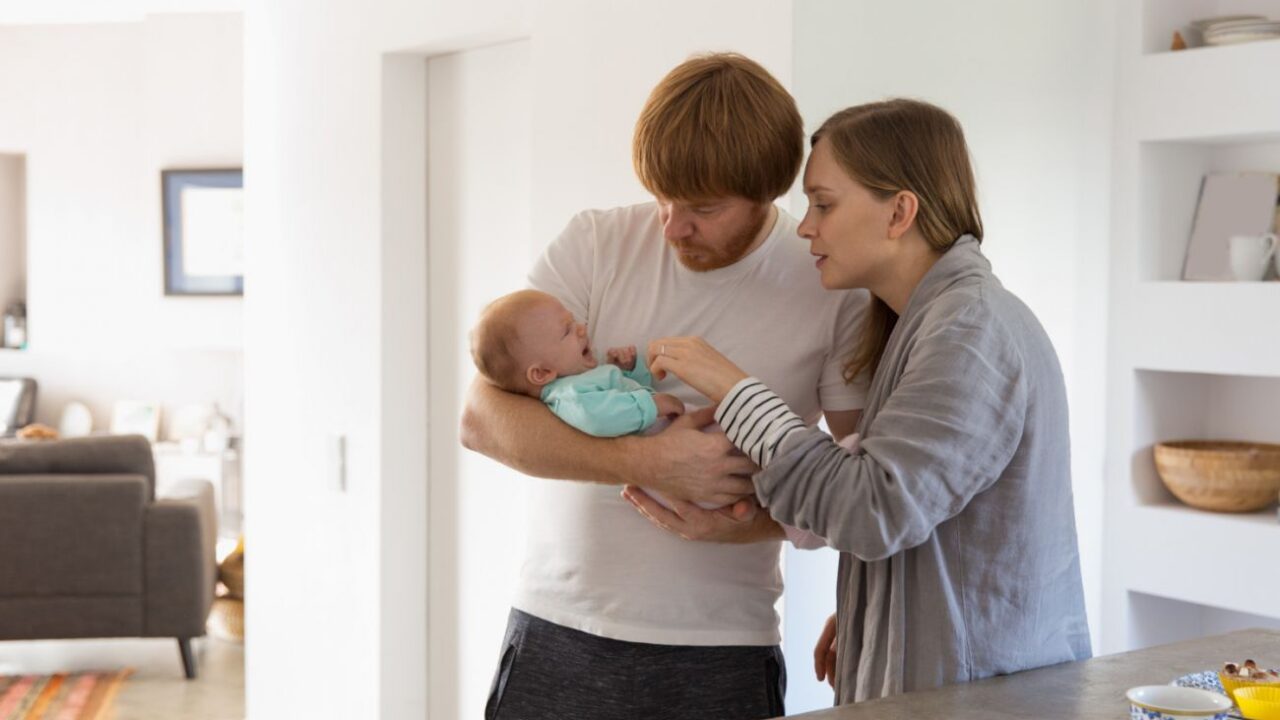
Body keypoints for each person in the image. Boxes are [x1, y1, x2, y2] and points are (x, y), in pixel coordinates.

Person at [627, 98, 1092, 704]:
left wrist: (737, 391)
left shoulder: (968, 330)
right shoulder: (930, 324)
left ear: (899, 212)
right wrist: (874, 605)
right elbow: (918, 503)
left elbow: (875, 508)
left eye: (823, 204)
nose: (805, 227)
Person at [459, 53, 869, 720]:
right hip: (557, 629)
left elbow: (864, 485)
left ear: (766, 192)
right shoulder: (595, 243)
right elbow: (481, 419)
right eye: (661, 198)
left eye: (702, 208)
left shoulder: (829, 286)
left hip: (721, 649)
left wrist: (842, 596)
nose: (672, 226)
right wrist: (648, 462)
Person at [469, 289, 686, 436]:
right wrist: (652, 405)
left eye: (573, 320)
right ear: (542, 373)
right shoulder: (570, 396)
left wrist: (627, 371)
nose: (581, 328)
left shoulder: (579, 379)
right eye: (567, 331)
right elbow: (600, 419)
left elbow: (627, 394)